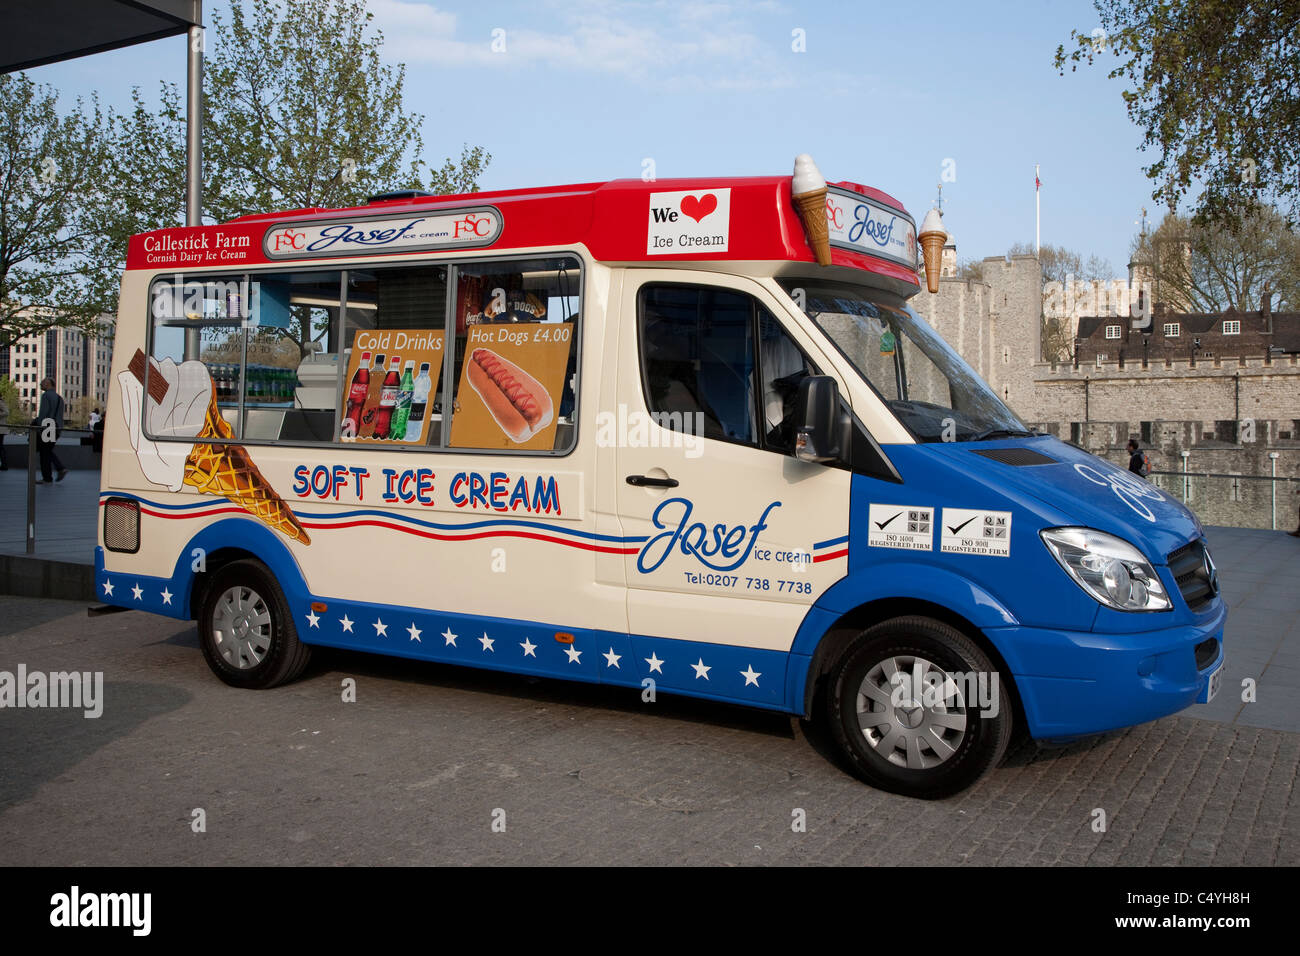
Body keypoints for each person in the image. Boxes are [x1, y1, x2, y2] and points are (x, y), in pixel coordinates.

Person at [34, 377, 67, 483]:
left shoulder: (46, 396)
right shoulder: (59, 398)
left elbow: (43, 413)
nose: (40, 384)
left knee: (44, 453)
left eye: (42, 383)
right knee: (47, 451)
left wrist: (39, 427)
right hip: (56, 427)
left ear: (48, 384)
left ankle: (50, 475)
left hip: (47, 427)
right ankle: (58, 470)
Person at [0, 394, 9, 470]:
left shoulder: (0, 402)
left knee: (0, 447)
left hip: (0, 429)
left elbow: (6, 412)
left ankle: (4, 464)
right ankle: (4, 464)